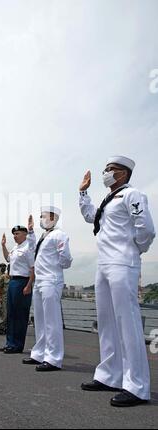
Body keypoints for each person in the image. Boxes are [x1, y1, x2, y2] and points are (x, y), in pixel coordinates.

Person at [79, 155, 155, 407]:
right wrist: (83, 194)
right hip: (104, 263)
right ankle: (110, 375)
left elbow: (146, 229)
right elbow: (92, 217)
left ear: (123, 174)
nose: (106, 173)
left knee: (128, 322)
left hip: (122, 262)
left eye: (111, 169)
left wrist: (133, 251)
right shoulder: (108, 199)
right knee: (107, 322)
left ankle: (137, 386)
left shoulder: (133, 195)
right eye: (106, 169)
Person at [23, 206, 72, 371]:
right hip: (39, 281)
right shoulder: (44, 236)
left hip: (51, 280)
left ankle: (53, 358)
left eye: (43, 216)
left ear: (53, 217)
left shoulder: (59, 235)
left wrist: (55, 268)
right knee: (40, 320)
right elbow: (32, 250)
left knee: (52, 321)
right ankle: (39, 353)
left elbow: (66, 259)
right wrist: (30, 232)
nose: (41, 219)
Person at [0, 216, 35, 353]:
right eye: (14, 234)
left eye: (17, 233)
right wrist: (3, 245)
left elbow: (33, 269)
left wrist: (29, 285)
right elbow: (8, 258)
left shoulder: (28, 248)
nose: (15, 236)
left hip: (23, 282)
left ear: (25, 234)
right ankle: (9, 342)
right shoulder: (16, 248)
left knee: (20, 315)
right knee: (11, 314)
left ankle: (17, 345)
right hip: (13, 281)